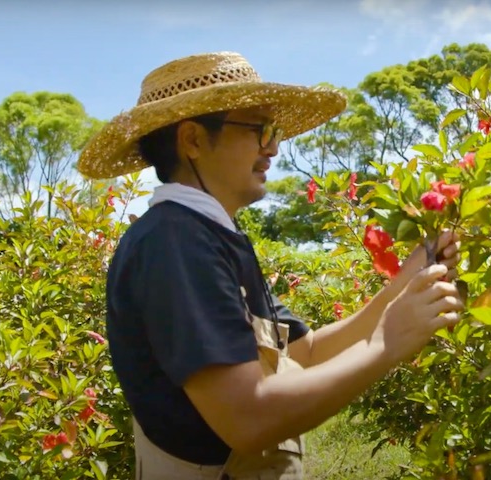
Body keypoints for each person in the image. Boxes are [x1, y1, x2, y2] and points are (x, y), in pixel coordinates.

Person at [77, 51, 465, 480]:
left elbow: (306, 354)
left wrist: (404, 283)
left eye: (274, 130)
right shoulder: (175, 241)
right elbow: (248, 418)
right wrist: (388, 341)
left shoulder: (208, 236)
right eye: (259, 129)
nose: (274, 148)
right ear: (192, 141)